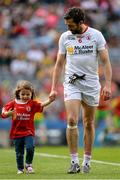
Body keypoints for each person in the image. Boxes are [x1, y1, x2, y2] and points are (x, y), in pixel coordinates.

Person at [49, 7, 112, 174]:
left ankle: (87, 162)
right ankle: (74, 161)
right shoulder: (65, 37)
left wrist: (107, 85)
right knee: (71, 120)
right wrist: (54, 88)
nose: (68, 28)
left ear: (81, 22)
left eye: (70, 25)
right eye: (66, 25)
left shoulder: (96, 35)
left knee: (89, 122)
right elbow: (59, 64)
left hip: (91, 85)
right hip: (71, 82)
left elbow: (105, 62)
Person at [1, 80, 54, 174]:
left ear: (31, 94)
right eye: (23, 94)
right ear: (18, 93)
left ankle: (28, 164)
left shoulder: (32, 104)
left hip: (28, 131)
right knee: (19, 153)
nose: (25, 96)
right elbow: (3, 112)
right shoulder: (13, 103)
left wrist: (50, 100)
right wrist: (8, 113)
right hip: (17, 132)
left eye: (28, 94)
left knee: (30, 147)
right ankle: (20, 169)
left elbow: (42, 104)